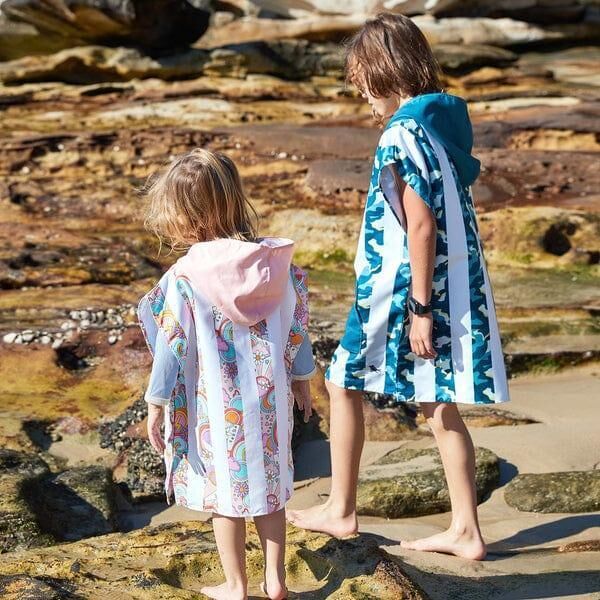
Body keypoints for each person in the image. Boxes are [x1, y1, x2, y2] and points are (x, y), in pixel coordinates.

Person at [287, 13, 510, 561]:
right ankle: (466, 529)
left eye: (361, 78)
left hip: (398, 289)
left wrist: (419, 309)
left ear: (383, 70)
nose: (361, 92)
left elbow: (421, 225)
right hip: (451, 284)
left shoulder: (401, 134)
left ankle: (341, 508)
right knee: (437, 404)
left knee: (342, 381)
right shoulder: (438, 127)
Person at [137, 148, 316, 599]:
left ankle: (236, 584)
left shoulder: (186, 275)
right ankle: (275, 580)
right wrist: (302, 379)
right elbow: (298, 326)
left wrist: (156, 402)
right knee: (270, 493)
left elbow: (173, 344)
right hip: (271, 404)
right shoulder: (273, 266)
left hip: (217, 412)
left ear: (189, 218)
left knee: (226, 500)